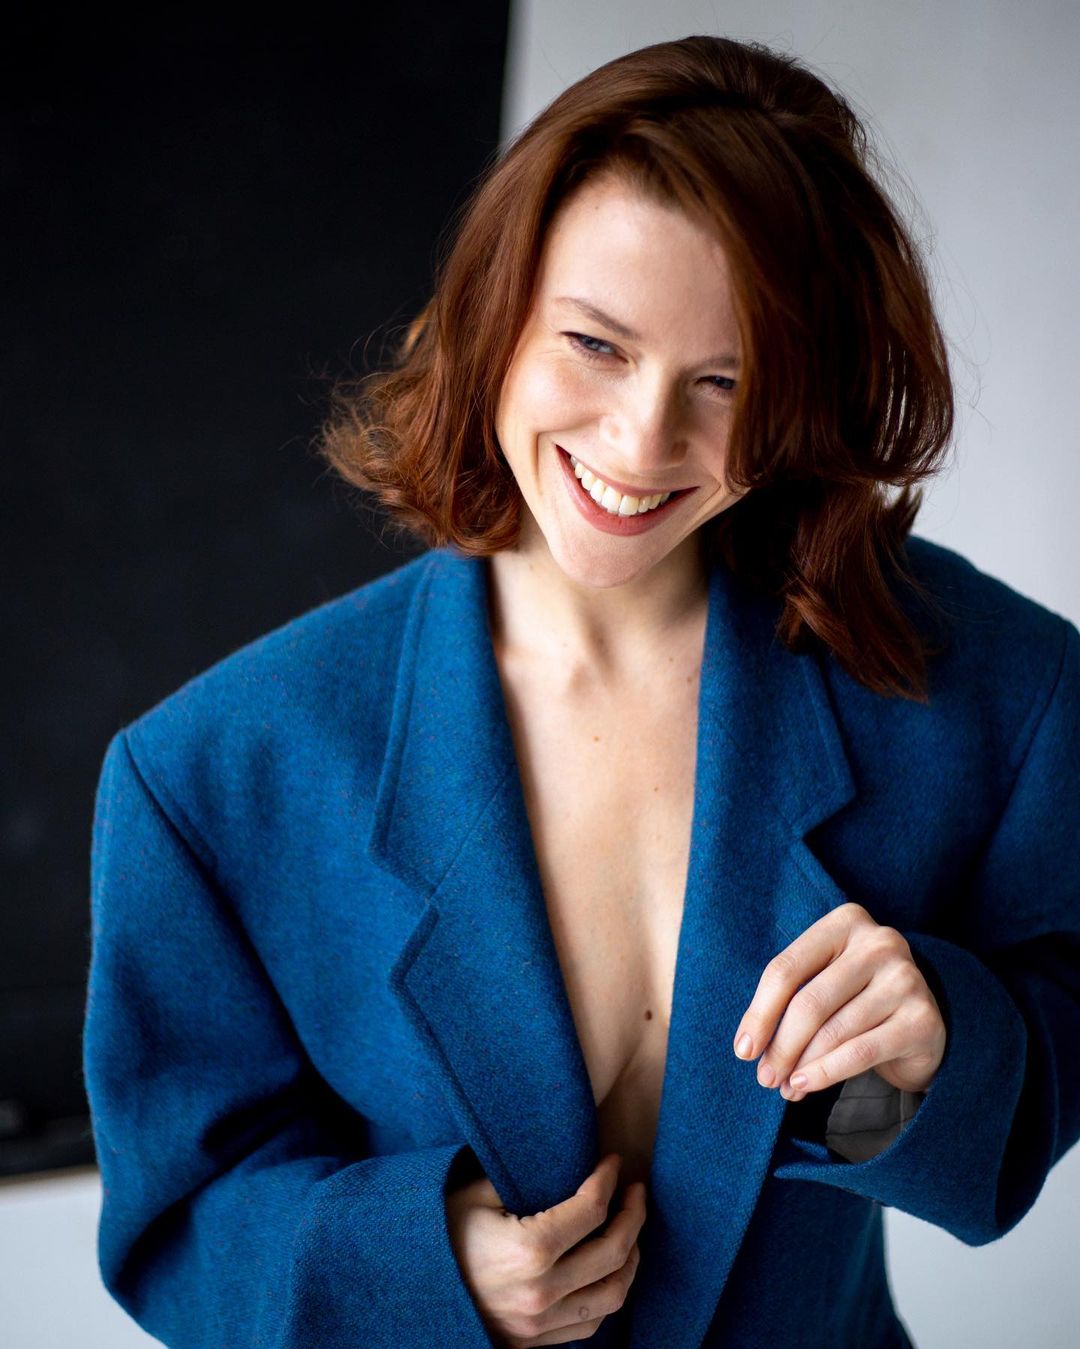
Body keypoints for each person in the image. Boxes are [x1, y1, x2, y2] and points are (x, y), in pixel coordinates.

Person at [83, 33, 1079, 1349]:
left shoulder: (991, 688)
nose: (641, 441)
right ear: (497, 313)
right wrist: (428, 1272)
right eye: (597, 345)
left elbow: (1046, 1046)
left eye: (727, 382)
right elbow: (176, 1220)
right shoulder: (210, 774)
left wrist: (912, 1070)